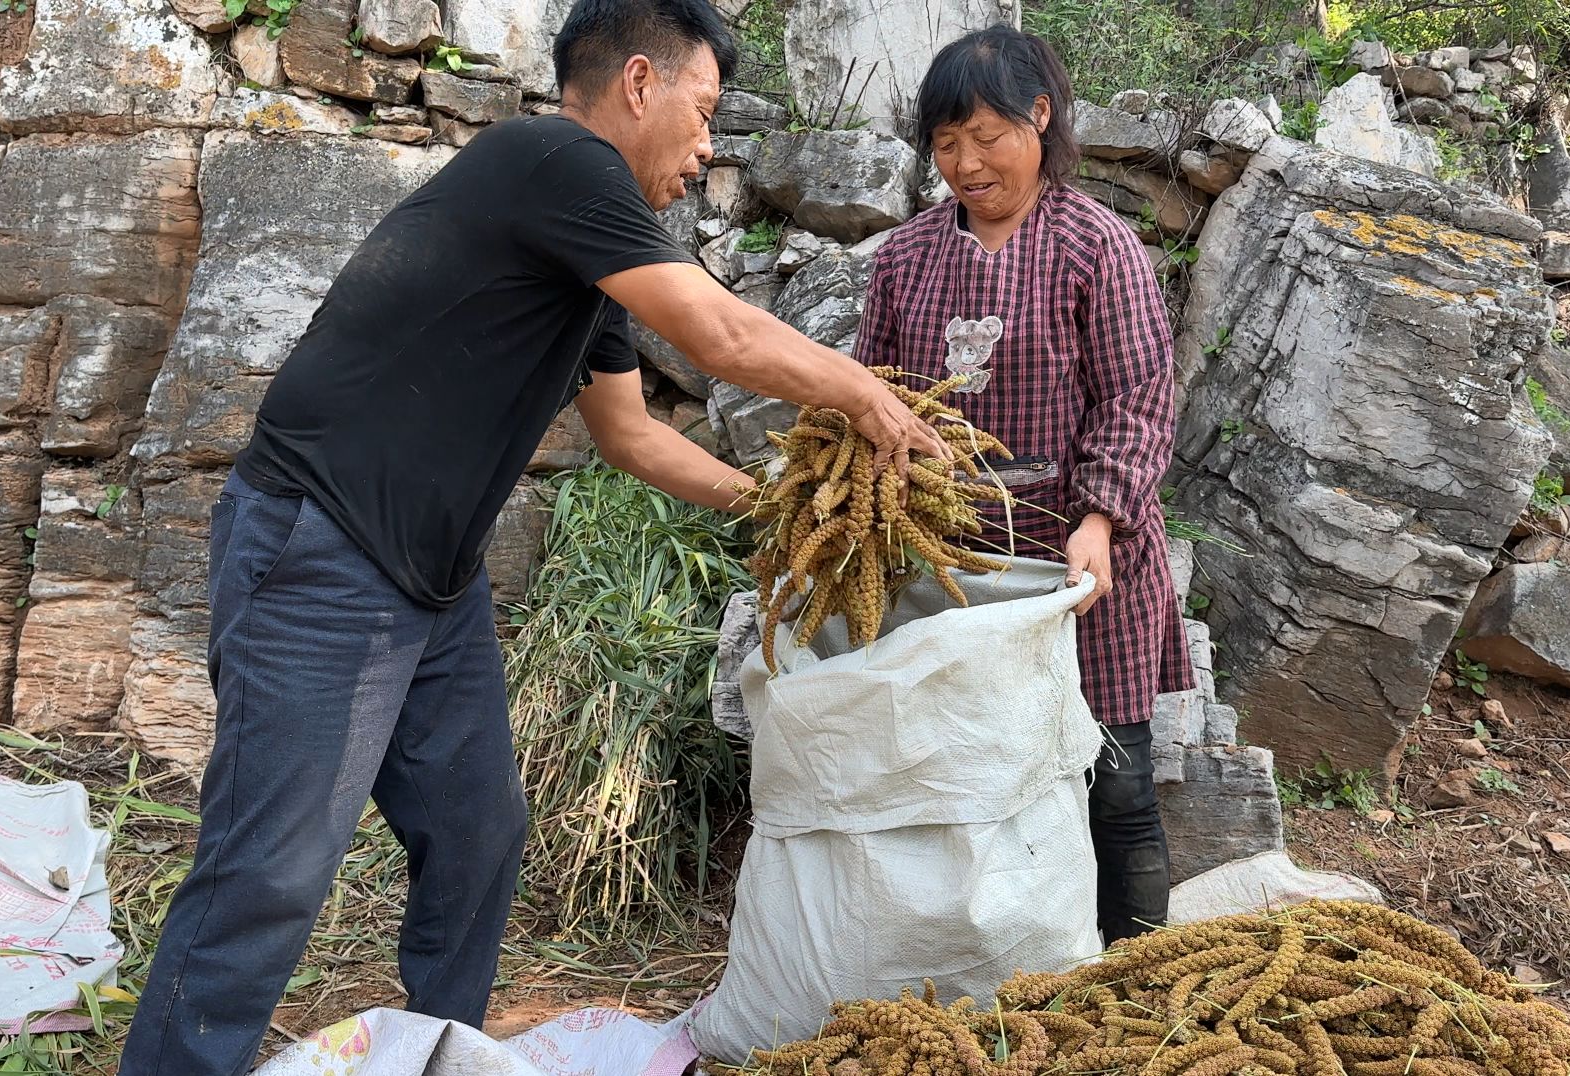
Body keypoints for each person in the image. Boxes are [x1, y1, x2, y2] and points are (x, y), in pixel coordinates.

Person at [116, 0, 949, 1068]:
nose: (704, 150)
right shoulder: (553, 159)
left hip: (429, 581)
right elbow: (722, 331)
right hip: (322, 550)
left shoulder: (580, 248)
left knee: (475, 833)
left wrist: (786, 511)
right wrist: (870, 401)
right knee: (268, 868)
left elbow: (632, 435)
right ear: (638, 84)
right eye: (701, 114)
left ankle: (437, 1049)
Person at [853, 25, 1195, 945]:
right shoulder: (905, 259)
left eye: (987, 137)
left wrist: (1099, 518)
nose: (966, 163)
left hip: (1089, 567)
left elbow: (1140, 396)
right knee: (980, 776)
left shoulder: (1099, 248)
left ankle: (1135, 965)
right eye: (946, 143)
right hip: (955, 568)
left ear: (1040, 118)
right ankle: (1014, 965)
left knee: (1116, 781)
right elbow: (869, 392)